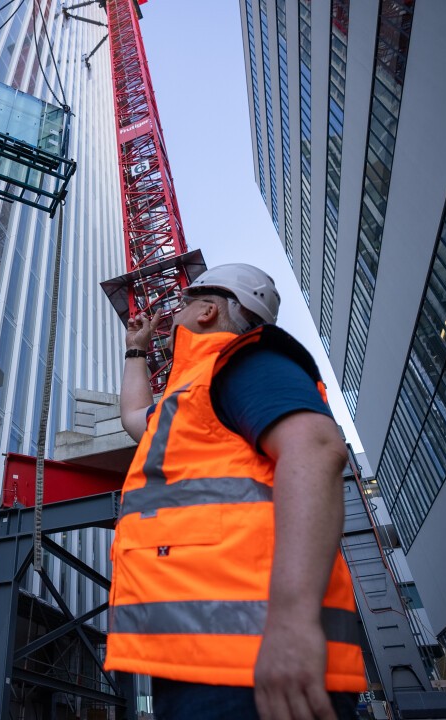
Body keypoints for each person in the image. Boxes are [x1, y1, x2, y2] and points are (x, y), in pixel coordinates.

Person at [103, 264, 367, 720]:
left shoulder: (243, 360)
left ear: (208, 311)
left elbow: (318, 450)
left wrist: (291, 622)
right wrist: (135, 352)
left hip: (256, 660)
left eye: (182, 305)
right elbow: (133, 419)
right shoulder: (189, 393)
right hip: (208, 657)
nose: (174, 317)